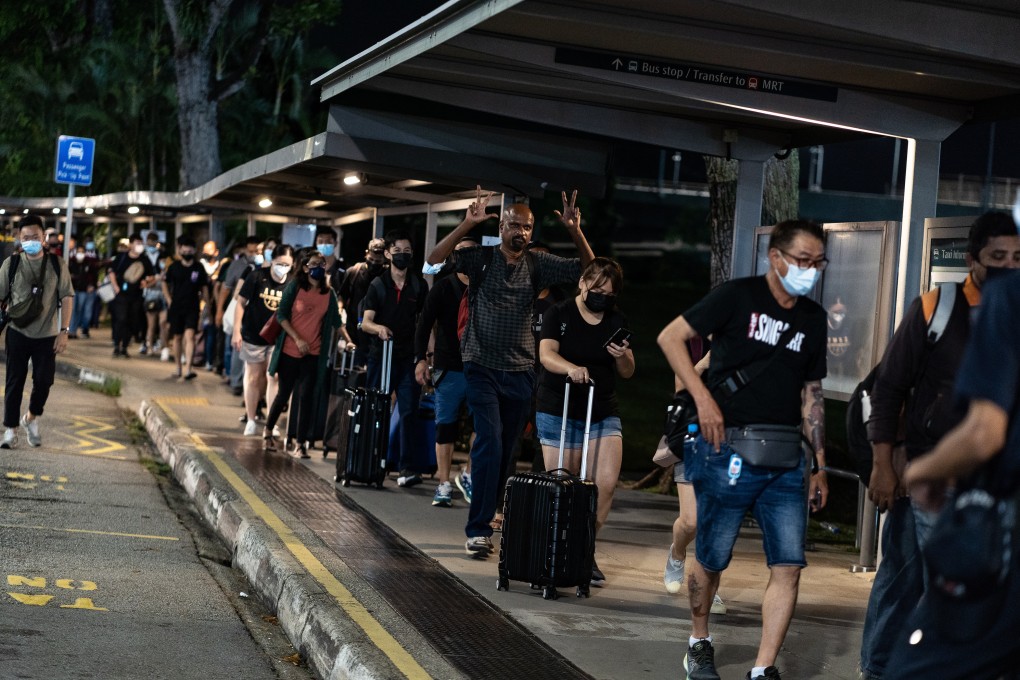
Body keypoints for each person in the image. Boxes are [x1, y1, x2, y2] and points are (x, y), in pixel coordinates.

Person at [658, 219, 830, 680]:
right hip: (725, 448)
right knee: (712, 557)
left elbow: (811, 394)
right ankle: (698, 641)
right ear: (776, 259)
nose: (811, 270)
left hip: (786, 458)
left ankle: (763, 668)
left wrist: (820, 465)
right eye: (802, 261)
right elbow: (670, 338)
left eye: (818, 262)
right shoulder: (738, 296)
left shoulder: (813, 319)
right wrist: (702, 397)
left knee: (789, 564)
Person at [859, 211, 1020, 680]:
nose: (1009, 268)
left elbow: (985, 430)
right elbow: (888, 387)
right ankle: (877, 667)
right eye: (998, 258)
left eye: (1017, 258)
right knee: (905, 577)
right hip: (937, 472)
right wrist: (886, 464)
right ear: (972, 259)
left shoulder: (1007, 307)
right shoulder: (936, 308)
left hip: (984, 487)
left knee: (950, 595)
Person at [425, 186, 594, 558]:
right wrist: (465, 224)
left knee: (507, 452)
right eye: (515, 224)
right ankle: (478, 528)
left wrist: (574, 231)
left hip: (520, 371)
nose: (521, 231)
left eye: (527, 226)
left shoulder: (537, 264)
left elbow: (590, 272)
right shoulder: (479, 258)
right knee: (490, 442)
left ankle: (497, 514)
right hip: (480, 365)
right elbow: (434, 261)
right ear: (501, 225)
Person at [536, 257, 634, 585]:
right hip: (559, 407)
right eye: (597, 289)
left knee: (603, 484)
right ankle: (556, 549)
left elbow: (628, 372)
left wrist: (625, 357)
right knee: (564, 486)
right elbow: (547, 355)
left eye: (609, 293)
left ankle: (585, 548)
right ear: (583, 283)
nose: (602, 297)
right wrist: (571, 368)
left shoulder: (616, 319)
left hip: (601, 408)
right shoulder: (559, 313)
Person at [663, 340, 729, 616]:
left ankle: (710, 588)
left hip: (728, 440)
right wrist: (704, 363)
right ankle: (677, 552)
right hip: (691, 437)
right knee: (691, 520)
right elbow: (681, 389)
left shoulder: (744, 340)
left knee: (715, 522)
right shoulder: (692, 341)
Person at [360, 230, 428, 486]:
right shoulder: (378, 284)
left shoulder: (419, 285)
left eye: (408, 252)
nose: (403, 256)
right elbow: (366, 322)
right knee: (378, 408)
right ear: (387, 254)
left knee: (409, 410)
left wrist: (425, 357)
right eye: (398, 251)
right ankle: (371, 462)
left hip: (408, 357)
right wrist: (379, 329)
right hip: (382, 356)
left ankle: (407, 468)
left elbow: (425, 322)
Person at [0, 215, 74, 448]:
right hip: (17, 331)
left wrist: (64, 331)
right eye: (25, 238)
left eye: (35, 237)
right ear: (19, 239)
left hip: (47, 335)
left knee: (44, 381)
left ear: (44, 238)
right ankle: (10, 431)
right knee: (14, 381)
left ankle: (30, 418)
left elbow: (67, 297)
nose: (30, 241)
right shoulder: (10, 265)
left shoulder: (56, 264)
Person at [414, 236, 477, 506]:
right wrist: (420, 359)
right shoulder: (441, 288)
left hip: (479, 369)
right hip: (448, 367)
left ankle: (469, 474)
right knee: (445, 427)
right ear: (453, 256)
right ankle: (443, 483)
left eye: (471, 252)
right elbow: (424, 324)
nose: (464, 257)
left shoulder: (487, 287)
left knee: (483, 427)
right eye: (460, 252)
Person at [264, 250, 342, 457]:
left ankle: (300, 444)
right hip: (290, 351)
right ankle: (268, 431)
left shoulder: (329, 294)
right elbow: (281, 315)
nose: (318, 268)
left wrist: (350, 341)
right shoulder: (295, 287)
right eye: (314, 264)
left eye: (322, 264)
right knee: (284, 394)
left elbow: (336, 321)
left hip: (314, 353)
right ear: (306, 267)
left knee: (307, 396)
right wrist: (297, 339)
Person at [233, 245, 294, 437]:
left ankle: (271, 422)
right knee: (253, 377)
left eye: (287, 264)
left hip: (278, 338)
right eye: (279, 263)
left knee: (273, 377)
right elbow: (240, 303)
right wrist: (237, 331)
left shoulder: (293, 282)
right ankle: (251, 419)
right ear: (272, 260)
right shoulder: (257, 276)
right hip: (253, 335)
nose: (283, 268)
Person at [162, 236, 209, 381]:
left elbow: (204, 288)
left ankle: (188, 368)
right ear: (180, 249)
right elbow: (165, 282)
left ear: (194, 250)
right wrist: (169, 299)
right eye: (184, 247)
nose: (187, 250)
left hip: (193, 307)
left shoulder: (198, 268)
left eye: (190, 247)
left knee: (190, 336)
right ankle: (178, 367)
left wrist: (205, 304)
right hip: (176, 307)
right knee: (177, 337)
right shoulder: (174, 266)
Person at [217, 236, 260, 394]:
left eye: (258, 249)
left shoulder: (266, 268)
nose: (255, 251)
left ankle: (247, 384)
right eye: (252, 247)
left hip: (259, 316)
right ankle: (234, 379)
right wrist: (219, 309)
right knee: (235, 347)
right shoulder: (239, 266)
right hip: (241, 312)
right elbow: (229, 290)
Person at [339, 238, 388, 367]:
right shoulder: (353, 272)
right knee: (352, 373)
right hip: (353, 334)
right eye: (371, 259)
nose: (373, 263)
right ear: (366, 253)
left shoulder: (387, 276)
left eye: (378, 261)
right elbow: (342, 296)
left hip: (377, 337)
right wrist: (340, 312)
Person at [108, 232, 156, 358]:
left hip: (136, 296)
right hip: (121, 294)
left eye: (141, 243)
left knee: (131, 320)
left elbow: (152, 276)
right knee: (121, 319)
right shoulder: (122, 257)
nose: (140, 246)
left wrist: (146, 282)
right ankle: (116, 346)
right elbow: (111, 272)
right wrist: (116, 287)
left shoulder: (144, 260)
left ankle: (124, 347)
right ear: (130, 244)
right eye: (137, 243)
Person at [141, 231, 169, 360]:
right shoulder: (143, 256)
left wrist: (156, 278)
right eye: (149, 241)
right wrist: (155, 278)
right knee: (151, 323)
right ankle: (149, 346)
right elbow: (144, 280)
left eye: (153, 241)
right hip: (150, 294)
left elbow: (164, 275)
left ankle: (164, 348)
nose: (151, 244)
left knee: (163, 322)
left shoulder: (163, 255)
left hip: (163, 294)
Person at [68, 242, 100, 339]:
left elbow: (93, 275)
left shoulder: (89, 263)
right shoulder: (71, 262)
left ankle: (74, 330)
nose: (80, 253)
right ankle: (71, 331)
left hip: (83, 290)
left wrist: (91, 285)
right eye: (78, 252)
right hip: (73, 290)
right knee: (72, 310)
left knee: (79, 310)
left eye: (82, 252)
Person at [314, 226, 345, 292]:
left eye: (328, 242)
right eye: (320, 241)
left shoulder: (343, 269)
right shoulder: (312, 267)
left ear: (335, 243)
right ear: (316, 243)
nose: (324, 244)